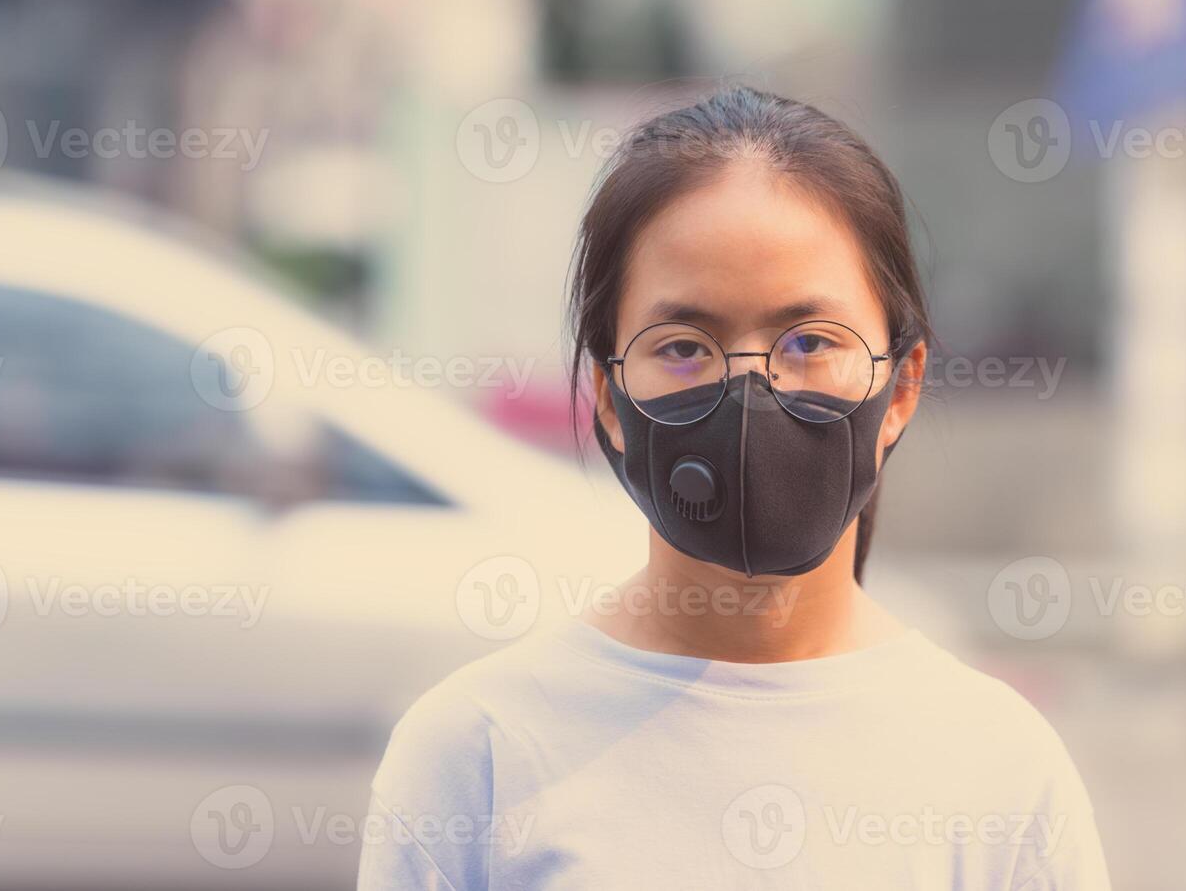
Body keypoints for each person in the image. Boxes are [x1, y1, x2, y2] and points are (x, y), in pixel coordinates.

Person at [357, 86, 1110, 889]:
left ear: (900, 388)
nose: (749, 391)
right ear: (610, 398)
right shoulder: (478, 752)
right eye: (684, 346)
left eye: (809, 341)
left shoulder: (999, 771)